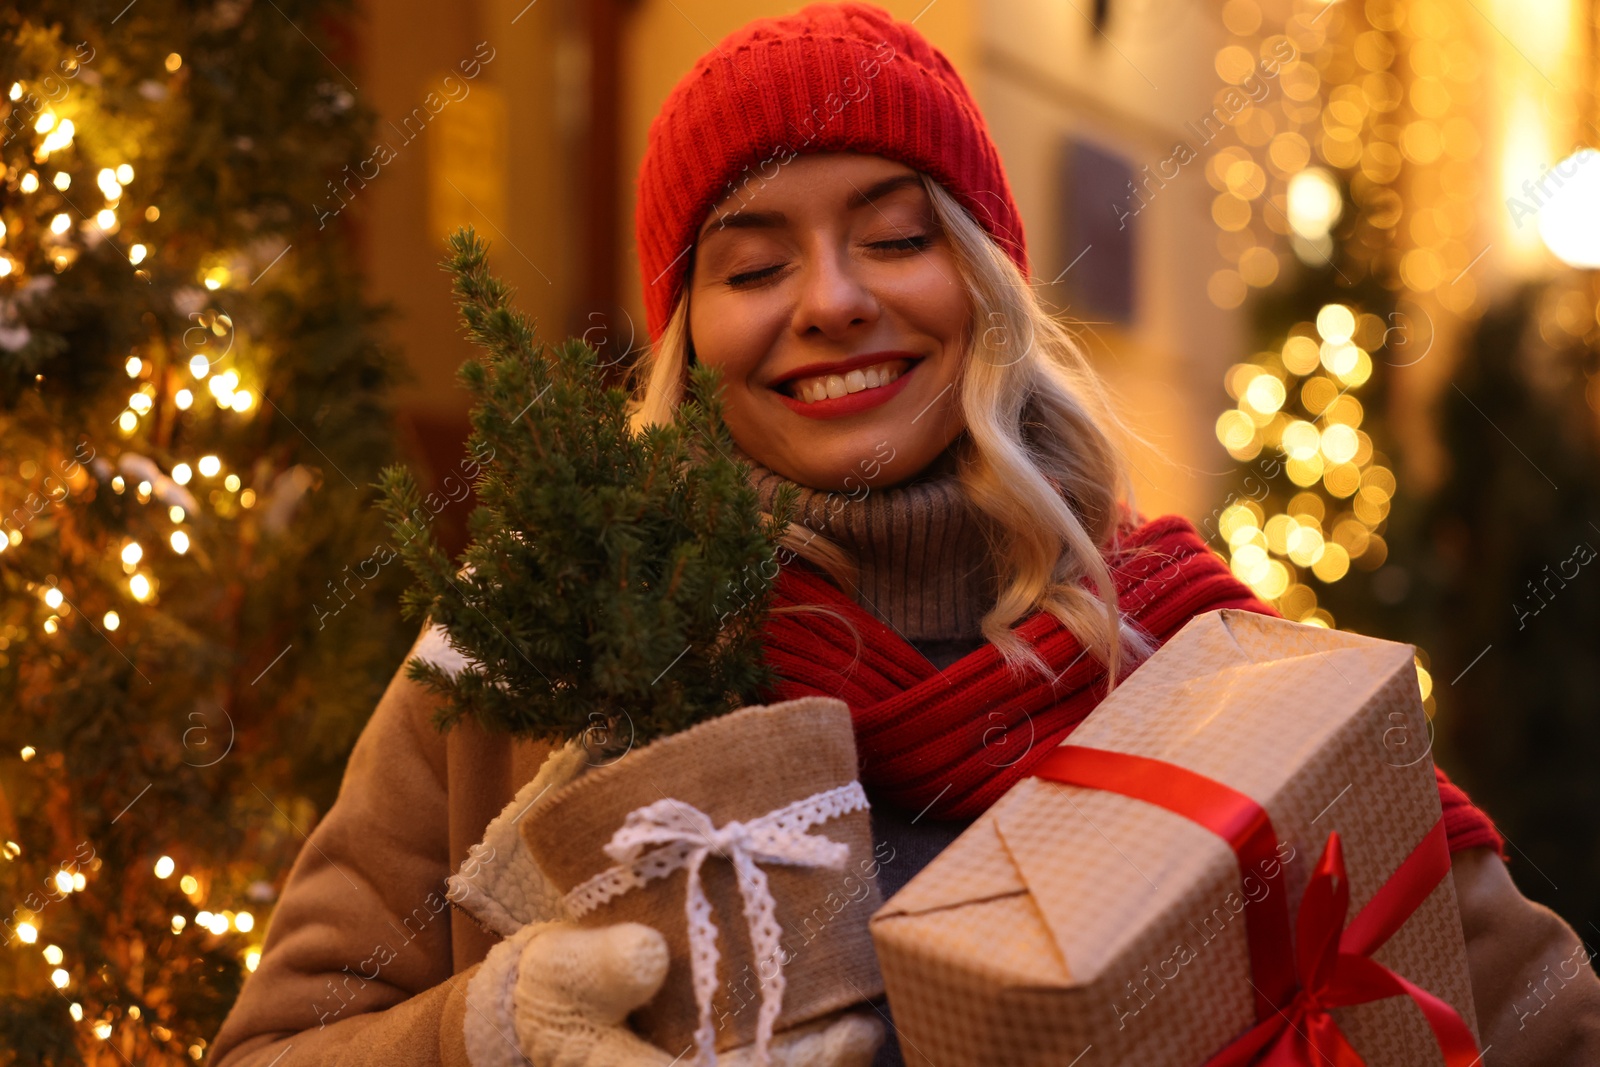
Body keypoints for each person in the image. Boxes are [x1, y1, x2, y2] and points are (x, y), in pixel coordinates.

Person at [208, 4, 1600, 1066]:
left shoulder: (1179, 645)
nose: (830, 302)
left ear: (984, 280)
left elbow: (1535, 1017)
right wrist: (490, 1023)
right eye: (752, 265)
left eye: (895, 236)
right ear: (691, 335)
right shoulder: (536, 645)